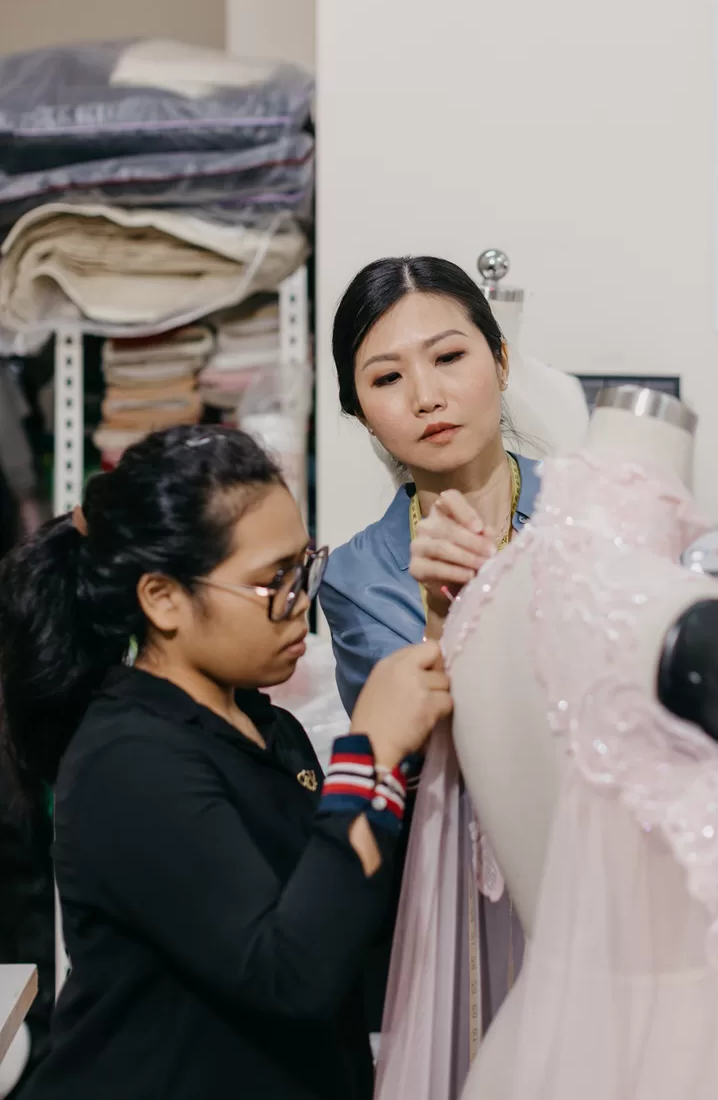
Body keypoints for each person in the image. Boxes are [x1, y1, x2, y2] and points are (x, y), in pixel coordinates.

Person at [0, 424, 452, 1100]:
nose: (303, 606)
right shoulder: (129, 761)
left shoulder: (273, 731)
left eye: (306, 568)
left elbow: (341, 911)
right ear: (163, 599)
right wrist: (373, 750)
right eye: (274, 582)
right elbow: (288, 972)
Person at [320, 255, 541, 1070]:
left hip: (591, 871)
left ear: (500, 362)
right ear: (361, 411)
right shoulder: (356, 575)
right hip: (452, 894)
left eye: (449, 357)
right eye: (387, 377)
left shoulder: (589, 514)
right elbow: (417, 744)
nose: (426, 396)